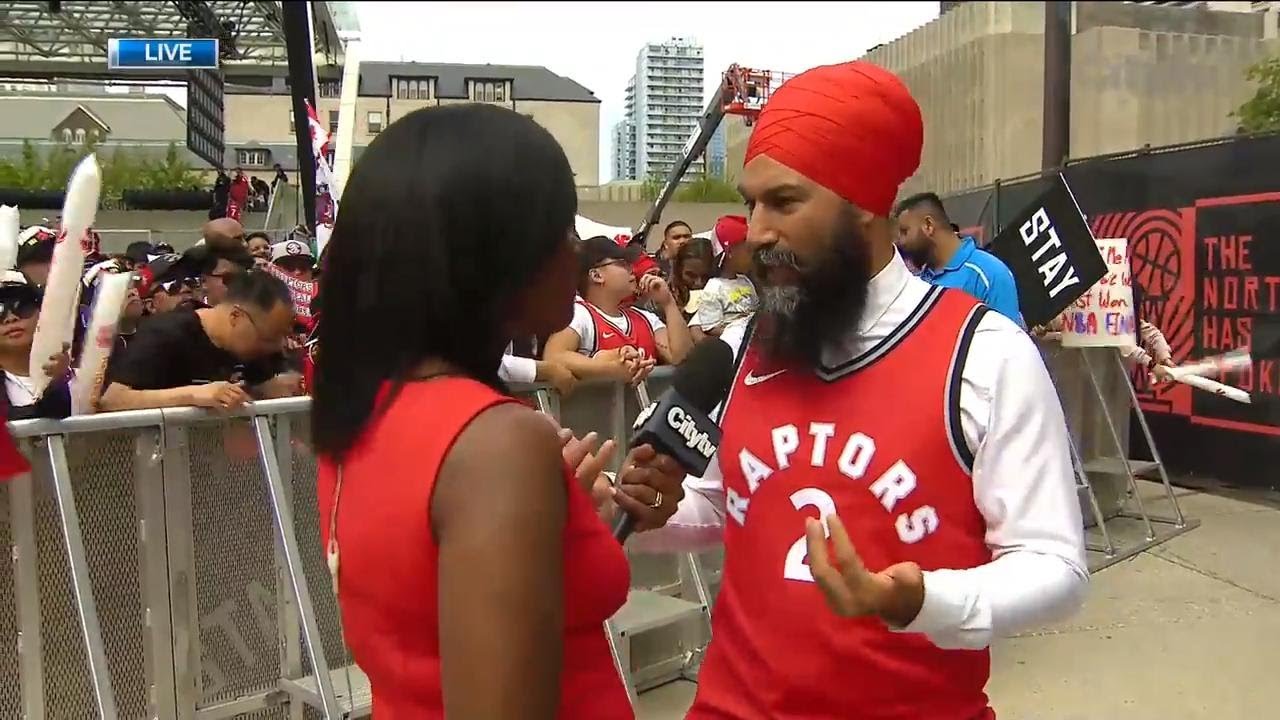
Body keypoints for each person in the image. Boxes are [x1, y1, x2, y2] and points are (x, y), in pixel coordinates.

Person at [637, 60, 1087, 719]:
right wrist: (648, 513)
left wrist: (920, 601)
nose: (758, 230)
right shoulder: (741, 351)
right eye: (751, 202)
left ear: (867, 206)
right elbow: (716, 506)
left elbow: (1055, 568)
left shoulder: (984, 354)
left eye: (785, 202)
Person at [309, 103, 686, 718]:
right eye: (563, 232)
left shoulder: (369, 406)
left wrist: (565, 514)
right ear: (497, 256)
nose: (576, 255)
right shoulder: (495, 445)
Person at [99, 269, 302, 411]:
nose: (276, 346)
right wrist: (194, 395)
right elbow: (112, 399)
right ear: (236, 317)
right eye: (269, 338)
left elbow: (267, 386)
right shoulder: (166, 334)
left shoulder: (250, 351)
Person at [543, 236, 694, 385]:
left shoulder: (645, 318)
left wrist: (668, 303)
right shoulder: (579, 314)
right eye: (622, 263)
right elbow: (553, 357)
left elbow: (684, 359)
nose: (632, 269)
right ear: (596, 275)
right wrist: (612, 369)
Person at [894, 192, 1023, 325]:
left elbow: (1007, 342)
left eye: (905, 232)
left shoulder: (989, 274)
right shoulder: (920, 281)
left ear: (928, 225)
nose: (900, 242)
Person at [691, 214, 758, 337]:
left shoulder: (746, 281)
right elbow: (710, 327)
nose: (752, 256)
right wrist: (738, 333)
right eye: (748, 250)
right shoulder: (714, 288)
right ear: (730, 252)